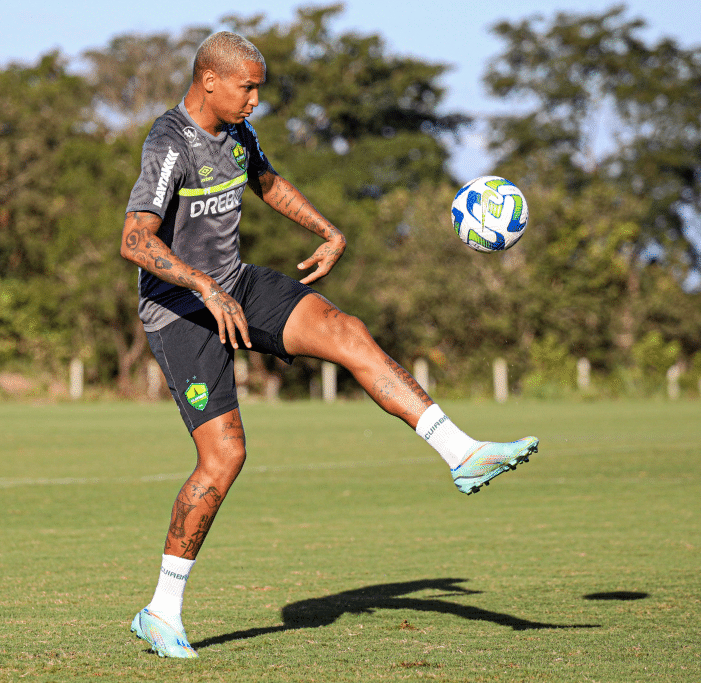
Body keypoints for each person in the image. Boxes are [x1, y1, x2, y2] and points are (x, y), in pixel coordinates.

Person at [120, 31, 539, 659]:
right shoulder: (167, 141)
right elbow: (135, 241)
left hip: (239, 284)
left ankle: (462, 451)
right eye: (247, 86)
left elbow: (266, 181)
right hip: (180, 310)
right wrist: (205, 288)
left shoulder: (236, 133)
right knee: (224, 457)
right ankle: (161, 611)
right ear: (210, 80)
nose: (255, 99)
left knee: (347, 331)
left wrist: (327, 229)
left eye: (259, 87)